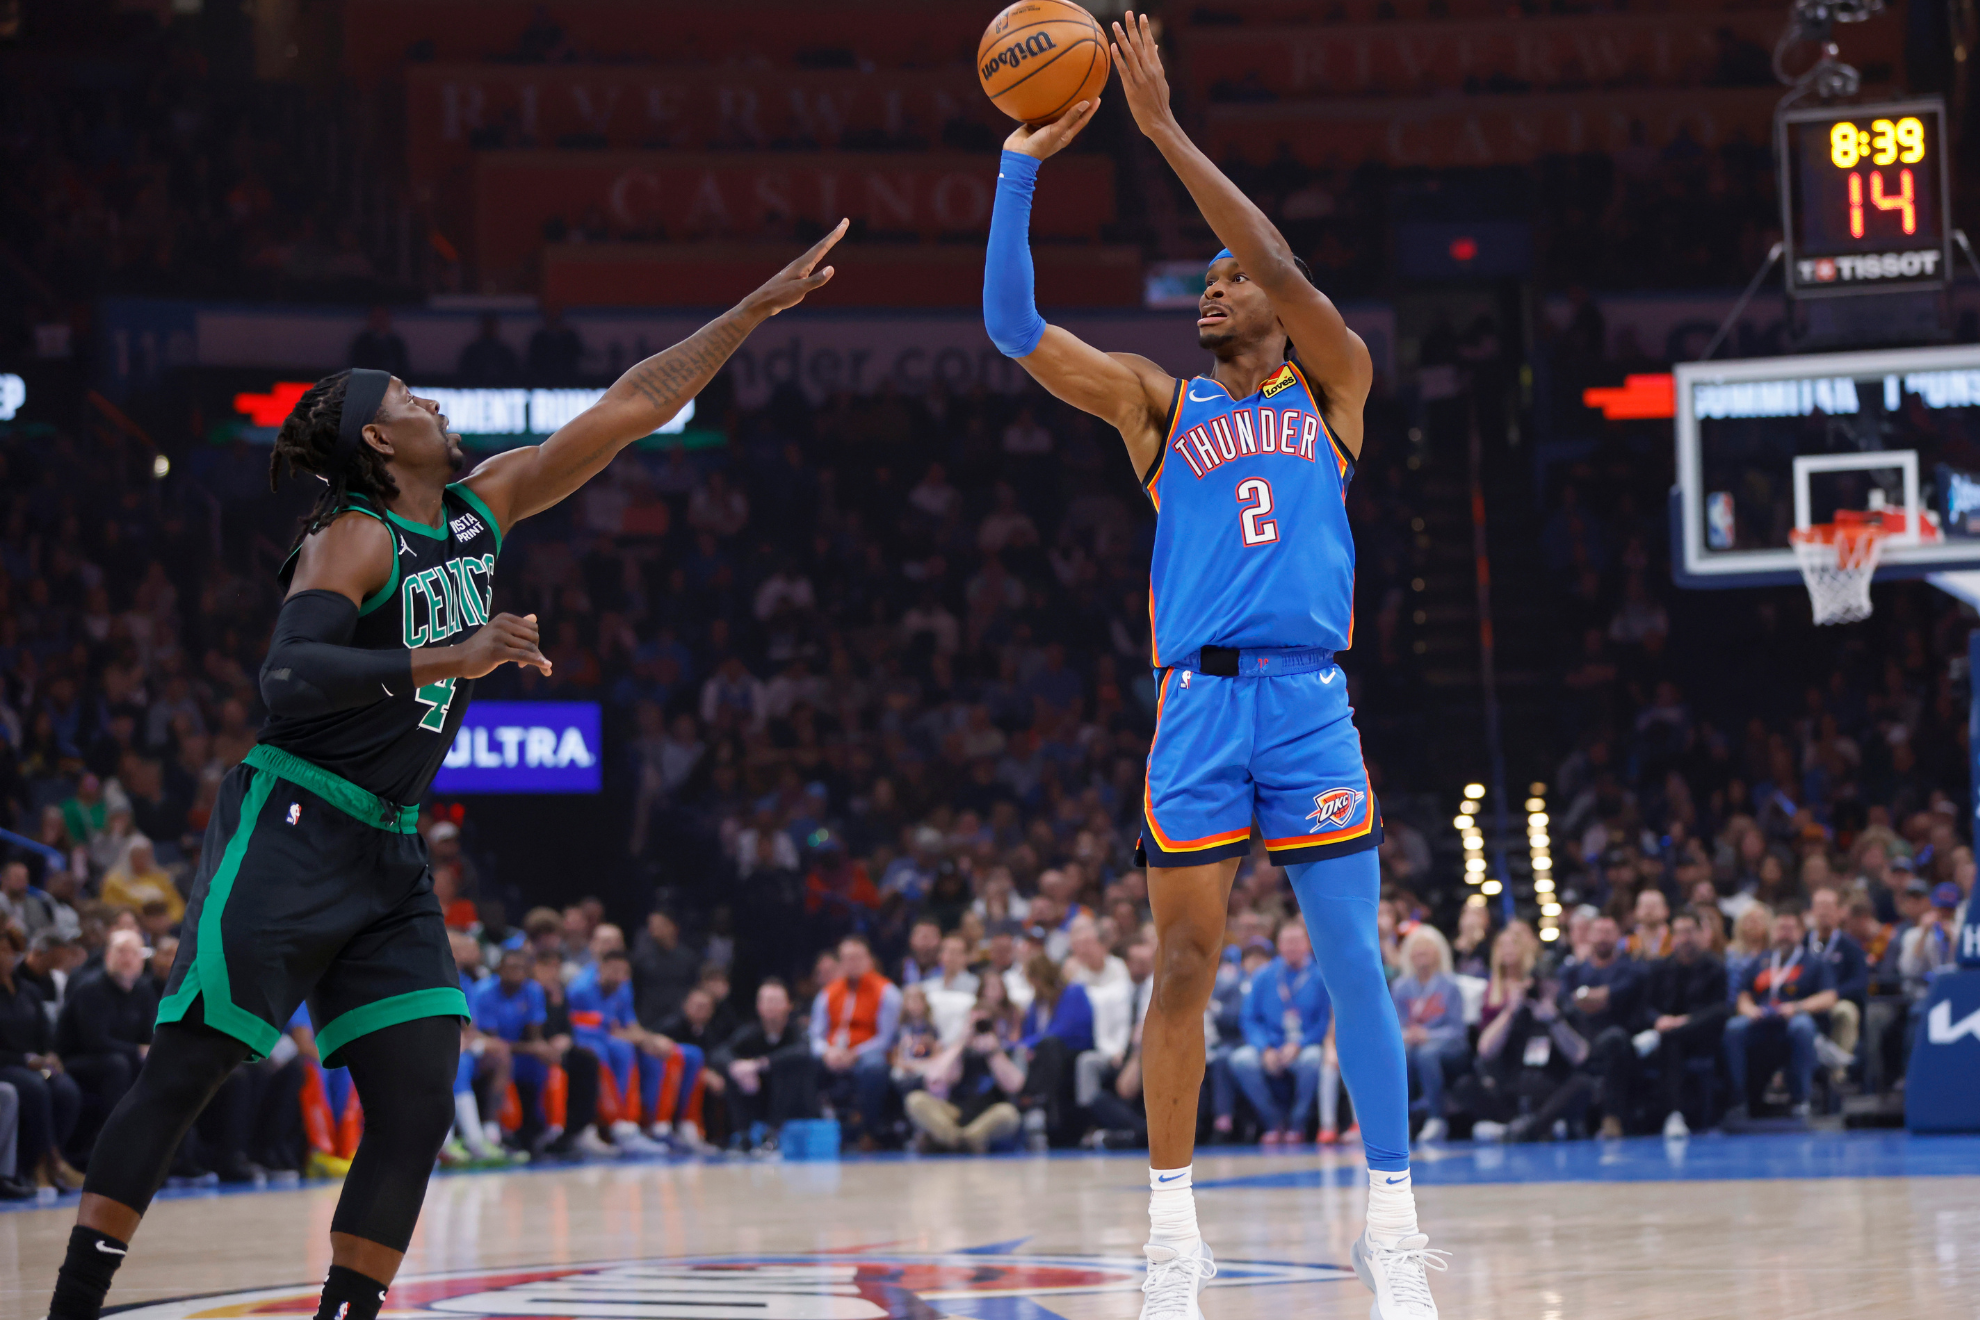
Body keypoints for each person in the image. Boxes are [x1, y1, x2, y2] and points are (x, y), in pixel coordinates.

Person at [44, 228, 846, 1320]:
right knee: (188, 1068)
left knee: (420, 1095)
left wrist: (747, 313)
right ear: (380, 437)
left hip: (387, 845)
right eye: (412, 396)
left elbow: (629, 405)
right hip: (292, 819)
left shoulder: (484, 508)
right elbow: (288, 675)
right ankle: (73, 1307)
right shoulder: (354, 538)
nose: (431, 403)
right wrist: (451, 656)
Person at [982, 16, 1439, 1316]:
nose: (1210, 292)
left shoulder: (1332, 390)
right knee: (1183, 969)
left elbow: (1288, 263)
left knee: (1353, 962)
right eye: (1203, 283)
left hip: (1308, 704)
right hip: (1196, 708)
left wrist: (1165, 128)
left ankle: (1393, 1226)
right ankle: (1171, 1230)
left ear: (1276, 313)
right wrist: (1023, 162)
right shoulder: (1157, 404)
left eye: (1228, 280)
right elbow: (1012, 323)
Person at [569, 950, 696, 1153]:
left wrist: (650, 1039)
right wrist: (639, 1038)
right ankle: (617, 1125)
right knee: (614, 1051)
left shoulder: (623, 987)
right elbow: (601, 1029)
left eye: (623, 972)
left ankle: (655, 1126)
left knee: (660, 1053)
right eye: (614, 971)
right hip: (587, 1039)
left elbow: (627, 1025)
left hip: (613, 1038)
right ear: (600, 968)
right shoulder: (581, 989)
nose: (619, 977)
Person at [1725, 909, 1838, 1121]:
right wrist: (1751, 1010)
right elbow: (1743, 996)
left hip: (1794, 1020)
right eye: (1780, 928)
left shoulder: (1813, 962)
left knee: (1802, 1027)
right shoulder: (1760, 961)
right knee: (1734, 1028)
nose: (1784, 934)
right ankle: (1738, 1099)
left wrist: (1797, 1007)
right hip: (1761, 1022)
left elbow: (1829, 997)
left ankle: (1800, 1100)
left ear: (1801, 932)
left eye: (1790, 929)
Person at [55, 930, 157, 1163]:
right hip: (76, 1061)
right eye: (121, 951)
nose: (128, 958)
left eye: (134, 953)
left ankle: (155, 1151)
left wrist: (144, 1052)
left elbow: (149, 1038)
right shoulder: (91, 988)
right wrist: (136, 1051)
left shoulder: (144, 990)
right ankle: (111, 1147)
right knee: (117, 1064)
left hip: (117, 1059)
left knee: (156, 1065)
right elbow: (95, 1042)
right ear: (108, 955)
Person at [1228, 919, 1330, 1144]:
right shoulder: (1264, 976)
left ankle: (1297, 1124)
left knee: (1312, 1060)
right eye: (1287, 942)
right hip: (1271, 1045)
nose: (1292, 947)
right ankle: (1273, 1122)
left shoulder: (1320, 976)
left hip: (1304, 1044)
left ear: (1307, 944)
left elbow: (1325, 1021)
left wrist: (1300, 1044)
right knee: (1241, 1060)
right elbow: (1249, 1018)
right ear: (1279, 945)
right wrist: (1264, 1048)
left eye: (1297, 941)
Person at [1633, 910, 1729, 1137]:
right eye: (1679, 933)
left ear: (1701, 933)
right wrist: (1659, 1020)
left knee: (1670, 1037)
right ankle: (1666, 1115)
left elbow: (1720, 1009)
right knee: (1669, 1041)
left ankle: (1675, 1114)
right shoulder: (1660, 968)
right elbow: (1645, 1008)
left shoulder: (1715, 967)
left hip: (1702, 1035)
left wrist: (1684, 1021)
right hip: (1668, 1037)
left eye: (1689, 932)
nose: (1684, 939)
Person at [808, 935, 901, 1147]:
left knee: (874, 1068)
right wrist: (827, 1052)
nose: (853, 963)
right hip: (833, 1054)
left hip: (866, 1055)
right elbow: (815, 1035)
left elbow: (886, 1038)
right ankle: (815, 1130)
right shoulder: (827, 993)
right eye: (847, 958)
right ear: (840, 962)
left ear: (869, 959)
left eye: (858, 957)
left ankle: (868, 1131)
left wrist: (855, 1054)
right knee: (803, 1062)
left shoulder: (887, 992)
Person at [713, 978, 816, 1150]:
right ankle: (742, 1135)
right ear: (758, 1006)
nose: (771, 1006)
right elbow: (720, 1052)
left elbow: (804, 1052)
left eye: (776, 1001)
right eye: (767, 1001)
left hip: (791, 1103)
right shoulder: (750, 1033)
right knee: (737, 1071)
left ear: (788, 1005)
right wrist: (736, 1066)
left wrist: (761, 1064)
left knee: (789, 1067)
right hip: (756, 1097)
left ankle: (774, 1132)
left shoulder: (795, 1032)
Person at [1390, 928, 1466, 1145]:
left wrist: (1428, 1035)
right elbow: (1397, 1026)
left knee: (1426, 1054)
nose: (1421, 954)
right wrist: (1409, 1035)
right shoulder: (1400, 987)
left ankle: (1436, 1117)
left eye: (1426, 950)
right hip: (1412, 1043)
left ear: (1438, 953)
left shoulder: (1450, 986)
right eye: (1417, 951)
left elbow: (1456, 1029)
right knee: (1400, 1054)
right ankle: (1400, 1119)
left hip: (1448, 1045)